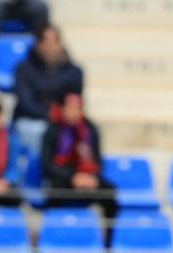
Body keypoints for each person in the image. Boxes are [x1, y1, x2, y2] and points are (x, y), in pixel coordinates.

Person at [41, 93, 118, 245]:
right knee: (53, 191)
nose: (74, 112)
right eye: (70, 108)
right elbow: (47, 165)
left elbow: (98, 161)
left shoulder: (90, 129)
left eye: (77, 108)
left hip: (87, 177)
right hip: (62, 178)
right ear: (63, 109)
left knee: (110, 192)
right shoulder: (53, 130)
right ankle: (51, 239)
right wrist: (72, 177)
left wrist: (90, 176)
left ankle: (109, 243)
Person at [13, 25, 83, 155]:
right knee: (41, 132)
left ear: (60, 43)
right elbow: (26, 103)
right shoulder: (24, 69)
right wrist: (50, 114)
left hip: (62, 121)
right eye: (45, 42)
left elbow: (74, 101)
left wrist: (63, 115)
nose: (49, 47)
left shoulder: (74, 72)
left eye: (53, 42)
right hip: (31, 120)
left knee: (85, 131)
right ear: (38, 45)